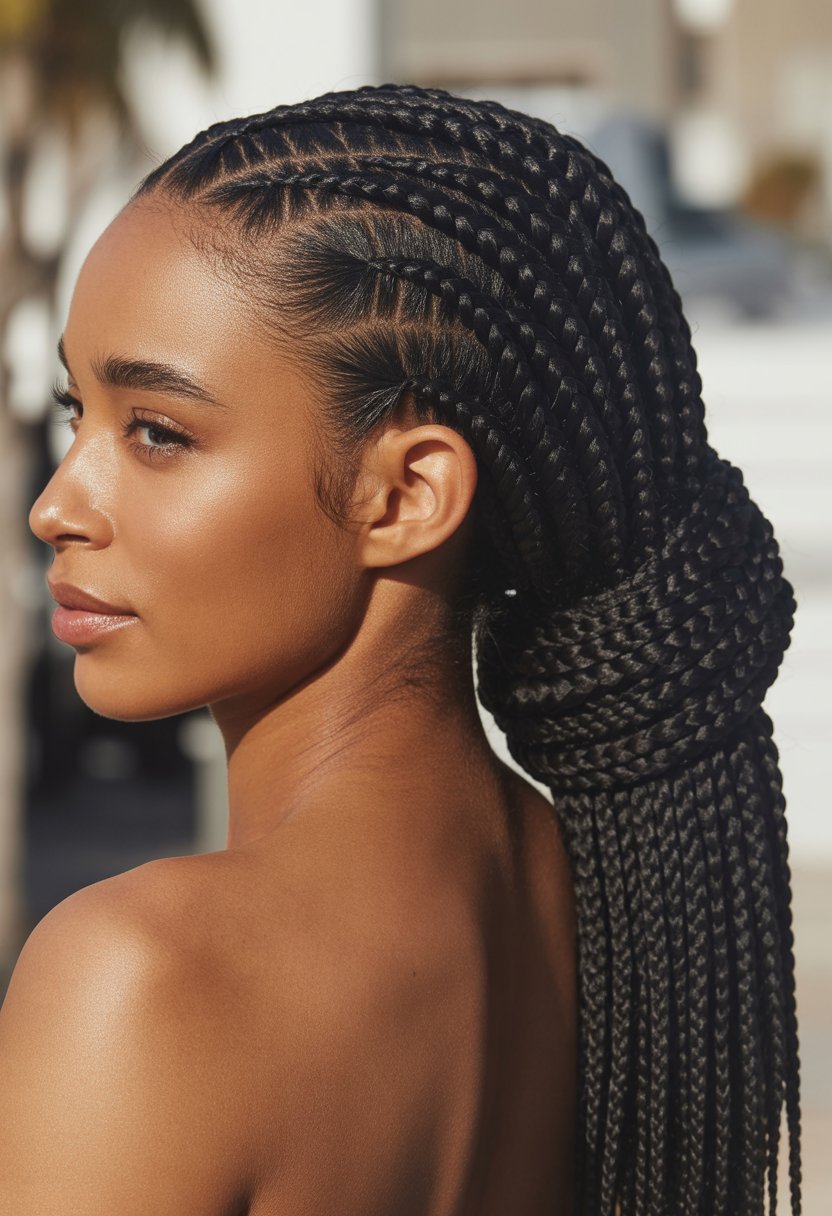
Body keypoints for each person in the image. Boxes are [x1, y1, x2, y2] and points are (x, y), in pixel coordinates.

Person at [0, 82, 801, 1215]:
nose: (56, 506)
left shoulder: (141, 979)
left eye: (158, 433)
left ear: (407, 495)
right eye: (74, 411)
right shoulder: (616, 902)